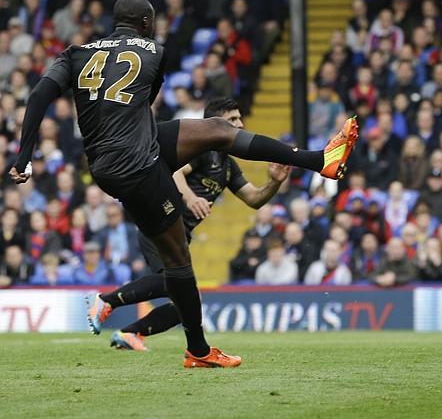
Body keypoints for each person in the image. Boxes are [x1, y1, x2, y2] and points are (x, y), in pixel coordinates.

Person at [10, 0, 359, 369]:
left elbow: (39, 95)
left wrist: (24, 155)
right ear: (145, 23)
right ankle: (198, 350)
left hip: (114, 157)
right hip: (136, 164)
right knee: (178, 262)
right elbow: (146, 97)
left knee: (217, 130)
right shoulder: (153, 51)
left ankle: (319, 160)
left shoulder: (75, 52)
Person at [85, 98, 290, 349]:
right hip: (160, 224)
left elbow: (254, 199)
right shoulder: (201, 151)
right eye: (232, 120)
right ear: (214, 124)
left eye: (239, 118)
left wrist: (275, 182)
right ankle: (106, 301)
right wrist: (191, 197)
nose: (240, 123)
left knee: (186, 303)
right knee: (175, 284)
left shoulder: (228, 165)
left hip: (181, 233)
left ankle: (130, 333)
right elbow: (174, 172)